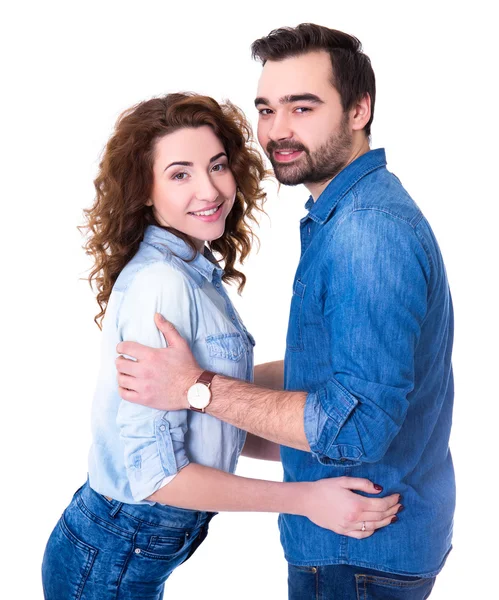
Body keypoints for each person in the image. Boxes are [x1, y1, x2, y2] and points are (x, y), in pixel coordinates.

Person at [115, 25, 455, 599]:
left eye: (302, 107)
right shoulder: (346, 214)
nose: (277, 131)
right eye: (267, 109)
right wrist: (197, 380)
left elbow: (356, 426)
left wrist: (197, 389)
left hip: (356, 553)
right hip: (365, 546)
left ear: (359, 109)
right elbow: (329, 377)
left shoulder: (365, 233)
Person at [42, 92, 401, 599]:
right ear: (145, 190)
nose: (210, 190)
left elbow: (210, 408)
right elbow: (157, 480)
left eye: (217, 166)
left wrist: (352, 398)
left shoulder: (193, 270)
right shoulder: (162, 285)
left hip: (129, 549)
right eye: (180, 173)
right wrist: (305, 499)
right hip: (110, 559)